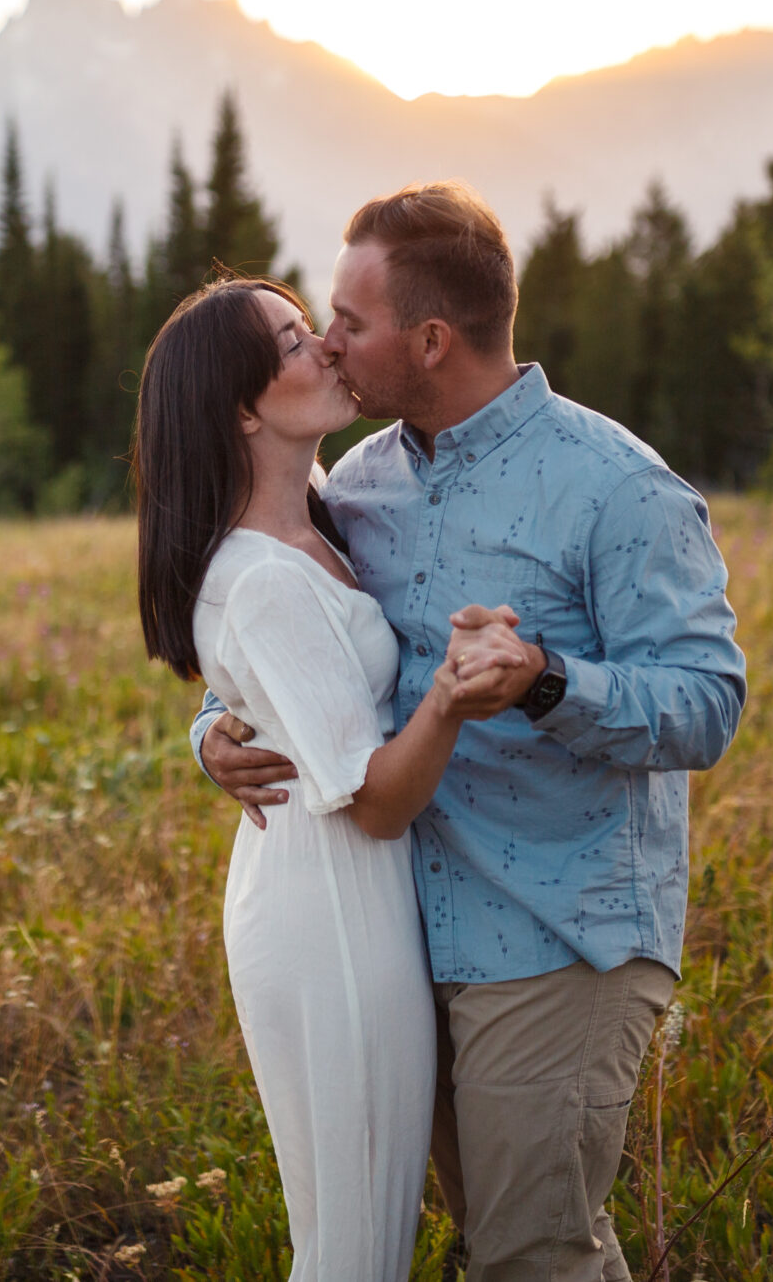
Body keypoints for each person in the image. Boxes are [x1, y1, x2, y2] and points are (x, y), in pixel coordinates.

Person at [192, 182, 747, 1282]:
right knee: (515, 1243)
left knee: (531, 1252)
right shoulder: (364, 479)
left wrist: (547, 681)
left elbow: (706, 702)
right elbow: (300, 633)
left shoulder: (617, 489)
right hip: (401, 933)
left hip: (557, 933)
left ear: (431, 339)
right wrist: (212, 725)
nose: (330, 339)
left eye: (349, 322)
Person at [135, 275, 533, 1282]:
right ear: (238, 406)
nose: (325, 351)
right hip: (331, 917)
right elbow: (378, 802)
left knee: (367, 1231)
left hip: (356, 903)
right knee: (355, 1247)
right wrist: (451, 692)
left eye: (314, 329)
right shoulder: (261, 576)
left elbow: (277, 692)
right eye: (292, 342)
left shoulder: (327, 517)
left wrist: (210, 730)